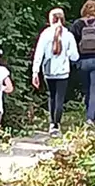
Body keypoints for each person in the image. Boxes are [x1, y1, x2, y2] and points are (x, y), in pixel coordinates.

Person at [32, 8, 78, 136]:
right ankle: (56, 125)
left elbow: (39, 54)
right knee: (60, 98)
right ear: (63, 19)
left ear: (50, 19)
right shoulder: (68, 35)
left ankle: (51, 123)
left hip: (48, 71)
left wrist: (35, 72)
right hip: (63, 72)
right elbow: (75, 56)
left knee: (51, 96)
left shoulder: (45, 34)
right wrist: (66, 54)